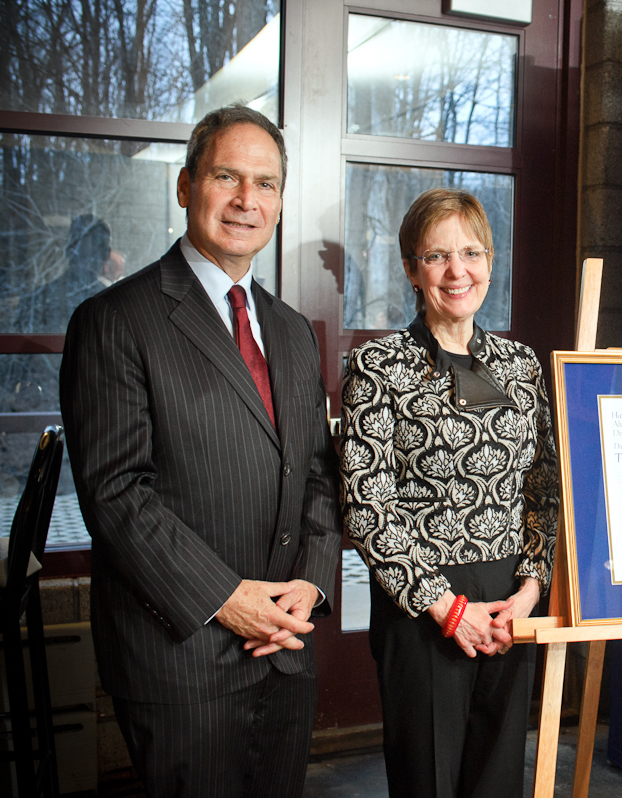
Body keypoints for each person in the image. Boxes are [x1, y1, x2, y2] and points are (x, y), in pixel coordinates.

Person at [60, 105, 340, 798]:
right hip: (181, 657)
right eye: (227, 177)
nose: (249, 200)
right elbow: (116, 492)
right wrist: (226, 599)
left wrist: (309, 583)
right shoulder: (116, 320)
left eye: (266, 183)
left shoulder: (292, 331)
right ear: (186, 187)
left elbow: (316, 473)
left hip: (285, 645)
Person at [340, 187, 558, 798]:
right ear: (412, 269)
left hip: (511, 604)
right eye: (436, 256)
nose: (457, 271)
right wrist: (445, 606)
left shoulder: (522, 364)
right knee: (428, 779)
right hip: (422, 607)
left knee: (496, 778)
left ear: (491, 261)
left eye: (471, 253)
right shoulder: (379, 365)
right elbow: (365, 503)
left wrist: (532, 588)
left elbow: (543, 487)